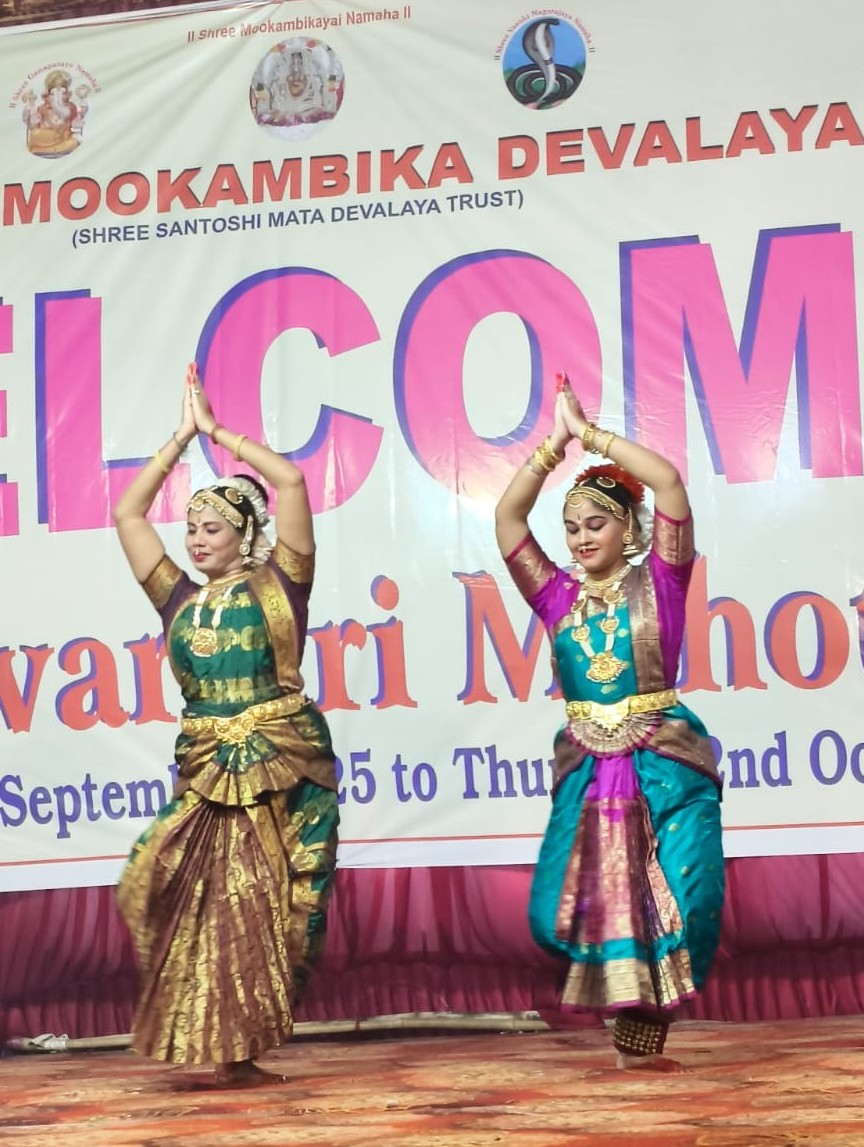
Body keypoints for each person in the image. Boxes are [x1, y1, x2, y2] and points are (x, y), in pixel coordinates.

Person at [114, 364, 339, 1087]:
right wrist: (180, 439)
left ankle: (241, 1048)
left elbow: (292, 483)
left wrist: (218, 433)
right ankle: (214, 1040)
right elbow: (128, 515)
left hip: (283, 762)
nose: (195, 539)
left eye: (211, 527)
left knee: (270, 903)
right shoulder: (177, 598)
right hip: (208, 767)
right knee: (166, 882)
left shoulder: (283, 584)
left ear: (246, 535)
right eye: (191, 528)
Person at [495, 374, 724, 1071]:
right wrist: (552, 446)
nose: (581, 537)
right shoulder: (557, 595)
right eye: (571, 527)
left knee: (688, 899)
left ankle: (642, 1031)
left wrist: (591, 436)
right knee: (556, 911)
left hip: (665, 757)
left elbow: (670, 482)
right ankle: (624, 1013)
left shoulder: (662, 580)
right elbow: (508, 521)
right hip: (589, 766)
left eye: (596, 523)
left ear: (629, 527)